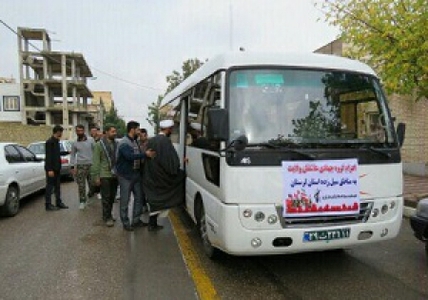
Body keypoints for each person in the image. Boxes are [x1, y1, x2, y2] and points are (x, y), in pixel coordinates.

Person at [143, 119, 186, 231]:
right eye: (171, 129)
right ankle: (152, 225)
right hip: (161, 176)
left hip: (152, 174)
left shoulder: (152, 140)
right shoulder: (165, 141)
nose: (171, 131)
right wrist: (178, 167)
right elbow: (170, 162)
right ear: (168, 129)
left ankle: (152, 223)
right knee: (180, 179)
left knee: (155, 201)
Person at [116, 121, 155, 231]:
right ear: (132, 129)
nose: (139, 131)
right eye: (138, 129)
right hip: (125, 176)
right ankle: (125, 222)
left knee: (139, 198)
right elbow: (129, 156)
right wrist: (145, 154)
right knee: (125, 200)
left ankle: (136, 221)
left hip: (136, 174)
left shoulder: (135, 141)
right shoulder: (124, 142)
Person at [91, 125, 118, 227]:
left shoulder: (116, 144)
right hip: (104, 175)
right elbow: (96, 162)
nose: (115, 133)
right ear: (106, 132)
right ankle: (107, 217)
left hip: (114, 174)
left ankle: (108, 214)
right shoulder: (99, 145)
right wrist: (96, 176)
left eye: (115, 131)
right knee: (106, 197)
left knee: (112, 197)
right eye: (112, 131)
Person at [70, 124, 95, 210]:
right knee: (81, 185)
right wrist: (72, 167)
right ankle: (82, 201)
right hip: (80, 165)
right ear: (76, 132)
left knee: (93, 184)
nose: (80, 132)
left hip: (91, 165)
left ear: (84, 131)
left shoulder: (91, 140)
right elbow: (72, 155)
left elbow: (95, 152)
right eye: (78, 131)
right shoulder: (74, 143)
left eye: (81, 131)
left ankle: (90, 194)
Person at [44, 125, 69, 211]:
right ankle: (48, 204)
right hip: (51, 169)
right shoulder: (49, 142)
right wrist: (49, 169)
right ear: (58, 132)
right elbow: (49, 157)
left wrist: (66, 152)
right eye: (61, 132)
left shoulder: (56, 142)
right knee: (50, 187)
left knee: (58, 187)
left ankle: (58, 202)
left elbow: (57, 154)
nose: (61, 134)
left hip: (57, 168)